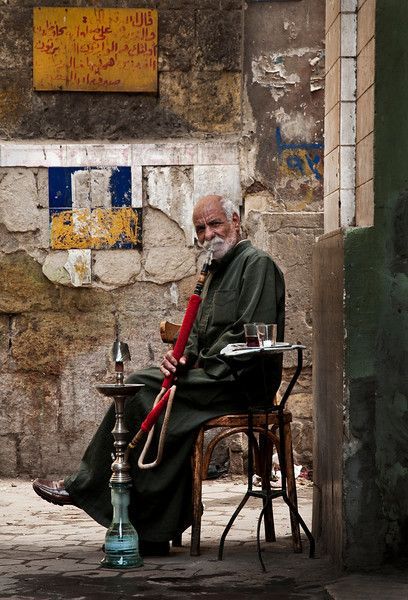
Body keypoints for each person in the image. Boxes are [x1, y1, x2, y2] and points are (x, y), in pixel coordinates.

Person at [33, 194, 285, 556]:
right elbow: (196, 333)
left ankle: (85, 485)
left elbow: (250, 334)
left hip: (240, 383)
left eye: (215, 224)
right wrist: (180, 359)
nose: (208, 234)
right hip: (208, 379)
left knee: (140, 389)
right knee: (150, 387)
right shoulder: (213, 270)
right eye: (200, 228)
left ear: (236, 221)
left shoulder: (256, 264)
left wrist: (197, 364)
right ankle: (150, 528)